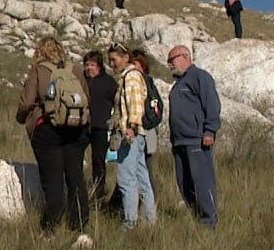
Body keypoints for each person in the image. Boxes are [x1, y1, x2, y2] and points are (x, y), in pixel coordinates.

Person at [16, 37, 93, 248]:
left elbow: (27, 102)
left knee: (52, 179)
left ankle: (50, 225)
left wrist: (22, 118)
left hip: (48, 129)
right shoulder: (75, 69)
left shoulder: (38, 71)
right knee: (75, 176)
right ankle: (79, 225)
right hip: (76, 130)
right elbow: (87, 98)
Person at [166, 45, 222, 228]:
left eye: (171, 60)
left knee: (202, 181)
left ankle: (209, 221)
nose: (169, 65)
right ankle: (196, 217)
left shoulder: (200, 77)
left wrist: (209, 130)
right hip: (179, 142)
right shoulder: (178, 85)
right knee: (184, 183)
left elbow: (212, 104)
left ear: (185, 56)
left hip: (196, 140)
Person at [108, 42, 156, 229]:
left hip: (131, 134)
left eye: (115, 59)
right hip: (137, 134)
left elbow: (135, 103)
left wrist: (131, 126)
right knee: (141, 177)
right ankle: (148, 220)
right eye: (110, 60)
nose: (112, 64)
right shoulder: (127, 78)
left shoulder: (131, 77)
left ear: (125, 58)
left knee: (126, 178)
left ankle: (131, 221)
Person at [82, 50, 118, 204]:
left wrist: (113, 121)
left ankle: (98, 194)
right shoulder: (81, 80)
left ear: (99, 66)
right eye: (87, 65)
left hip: (100, 127)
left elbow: (118, 101)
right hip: (81, 126)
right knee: (76, 160)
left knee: (98, 161)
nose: (89, 68)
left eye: (93, 65)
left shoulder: (108, 82)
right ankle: (79, 191)